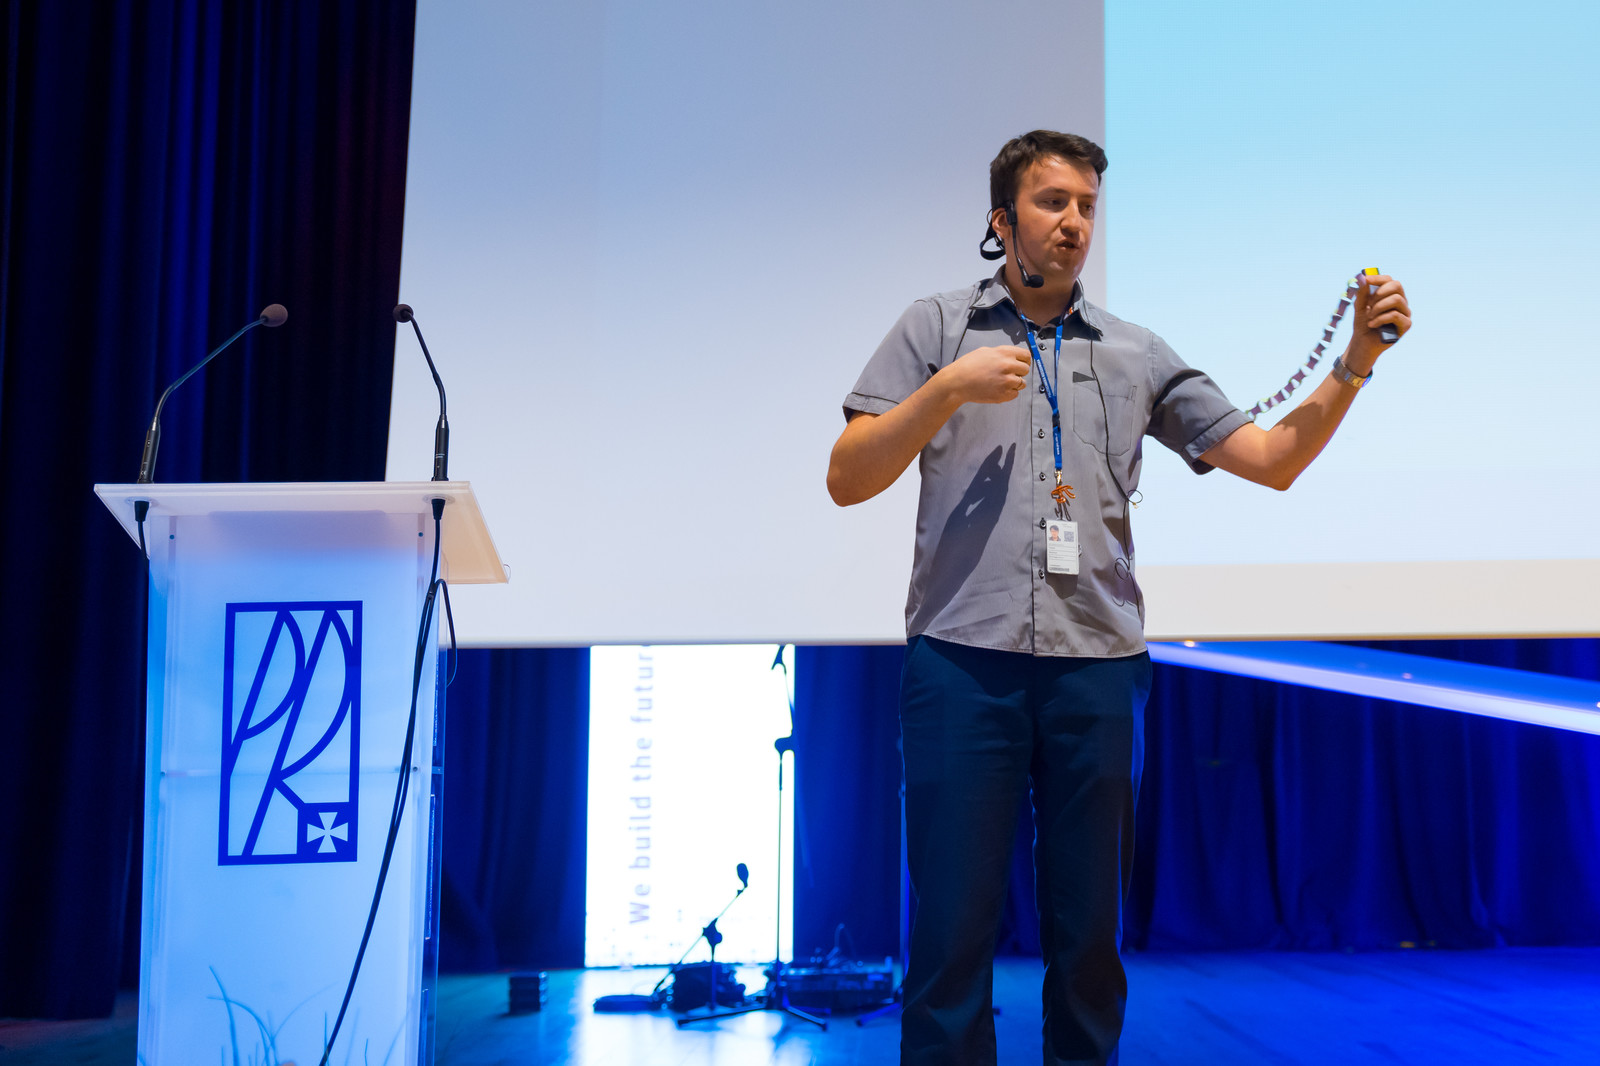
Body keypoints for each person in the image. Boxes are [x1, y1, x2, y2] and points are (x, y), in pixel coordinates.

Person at [826, 130, 1410, 1066]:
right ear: (1001, 219)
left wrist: (1356, 363)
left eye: (1087, 207)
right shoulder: (935, 329)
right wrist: (946, 391)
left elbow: (1273, 461)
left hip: (1097, 670)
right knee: (950, 932)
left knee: (1088, 936)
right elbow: (847, 478)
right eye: (1053, 202)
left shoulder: (1135, 353)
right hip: (961, 667)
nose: (1074, 223)